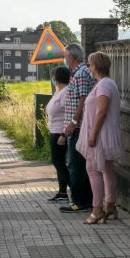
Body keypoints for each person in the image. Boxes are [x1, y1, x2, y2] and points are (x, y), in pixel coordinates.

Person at [77, 52, 123, 224]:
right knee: (106, 169)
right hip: (104, 133)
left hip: (101, 134)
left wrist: (93, 134)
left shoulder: (104, 85)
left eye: (90, 64)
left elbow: (101, 111)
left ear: (95, 66)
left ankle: (97, 210)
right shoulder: (106, 83)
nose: (88, 67)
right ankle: (110, 206)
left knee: (93, 169)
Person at [60, 43, 95, 213]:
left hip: (78, 127)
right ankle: (85, 200)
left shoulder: (80, 74)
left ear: (71, 58)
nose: (64, 59)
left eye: (65, 56)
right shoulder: (80, 72)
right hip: (77, 126)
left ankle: (79, 202)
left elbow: (83, 99)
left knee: (75, 165)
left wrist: (73, 123)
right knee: (80, 165)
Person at [45, 66, 71, 202]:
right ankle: (62, 192)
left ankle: (75, 188)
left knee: (58, 162)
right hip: (54, 130)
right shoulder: (59, 92)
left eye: (53, 76)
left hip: (60, 132)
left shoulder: (65, 92)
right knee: (59, 162)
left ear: (56, 78)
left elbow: (69, 112)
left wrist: (63, 134)